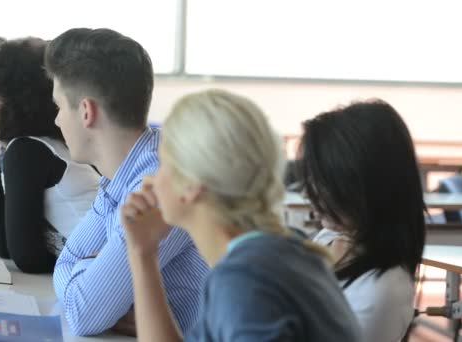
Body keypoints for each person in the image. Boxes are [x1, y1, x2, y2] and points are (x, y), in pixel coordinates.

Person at [121, 89, 362, 341]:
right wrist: (143, 253)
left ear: (192, 185)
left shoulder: (244, 283)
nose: (151, 180)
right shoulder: (284, 253)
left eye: (163, 164)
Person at [45, 28, 208, 336]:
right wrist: (90, 276)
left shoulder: (160, 183)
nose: (56, 120)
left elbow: (84, 313)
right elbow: (68, 259)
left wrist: (90, 278)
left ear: (85, 112)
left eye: (58, 106)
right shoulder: (122, 175)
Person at [0, 37, 99, 273]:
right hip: (92, 277)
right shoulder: (34, 147)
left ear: (22, 104)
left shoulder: (27, 151)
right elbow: (7, 248)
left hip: (102, 282)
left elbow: (26, 258)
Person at [301, 100, 426, 342]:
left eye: (321, 180)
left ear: (363, 185)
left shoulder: (381, 290)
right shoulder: (333, 238)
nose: (309, 193)